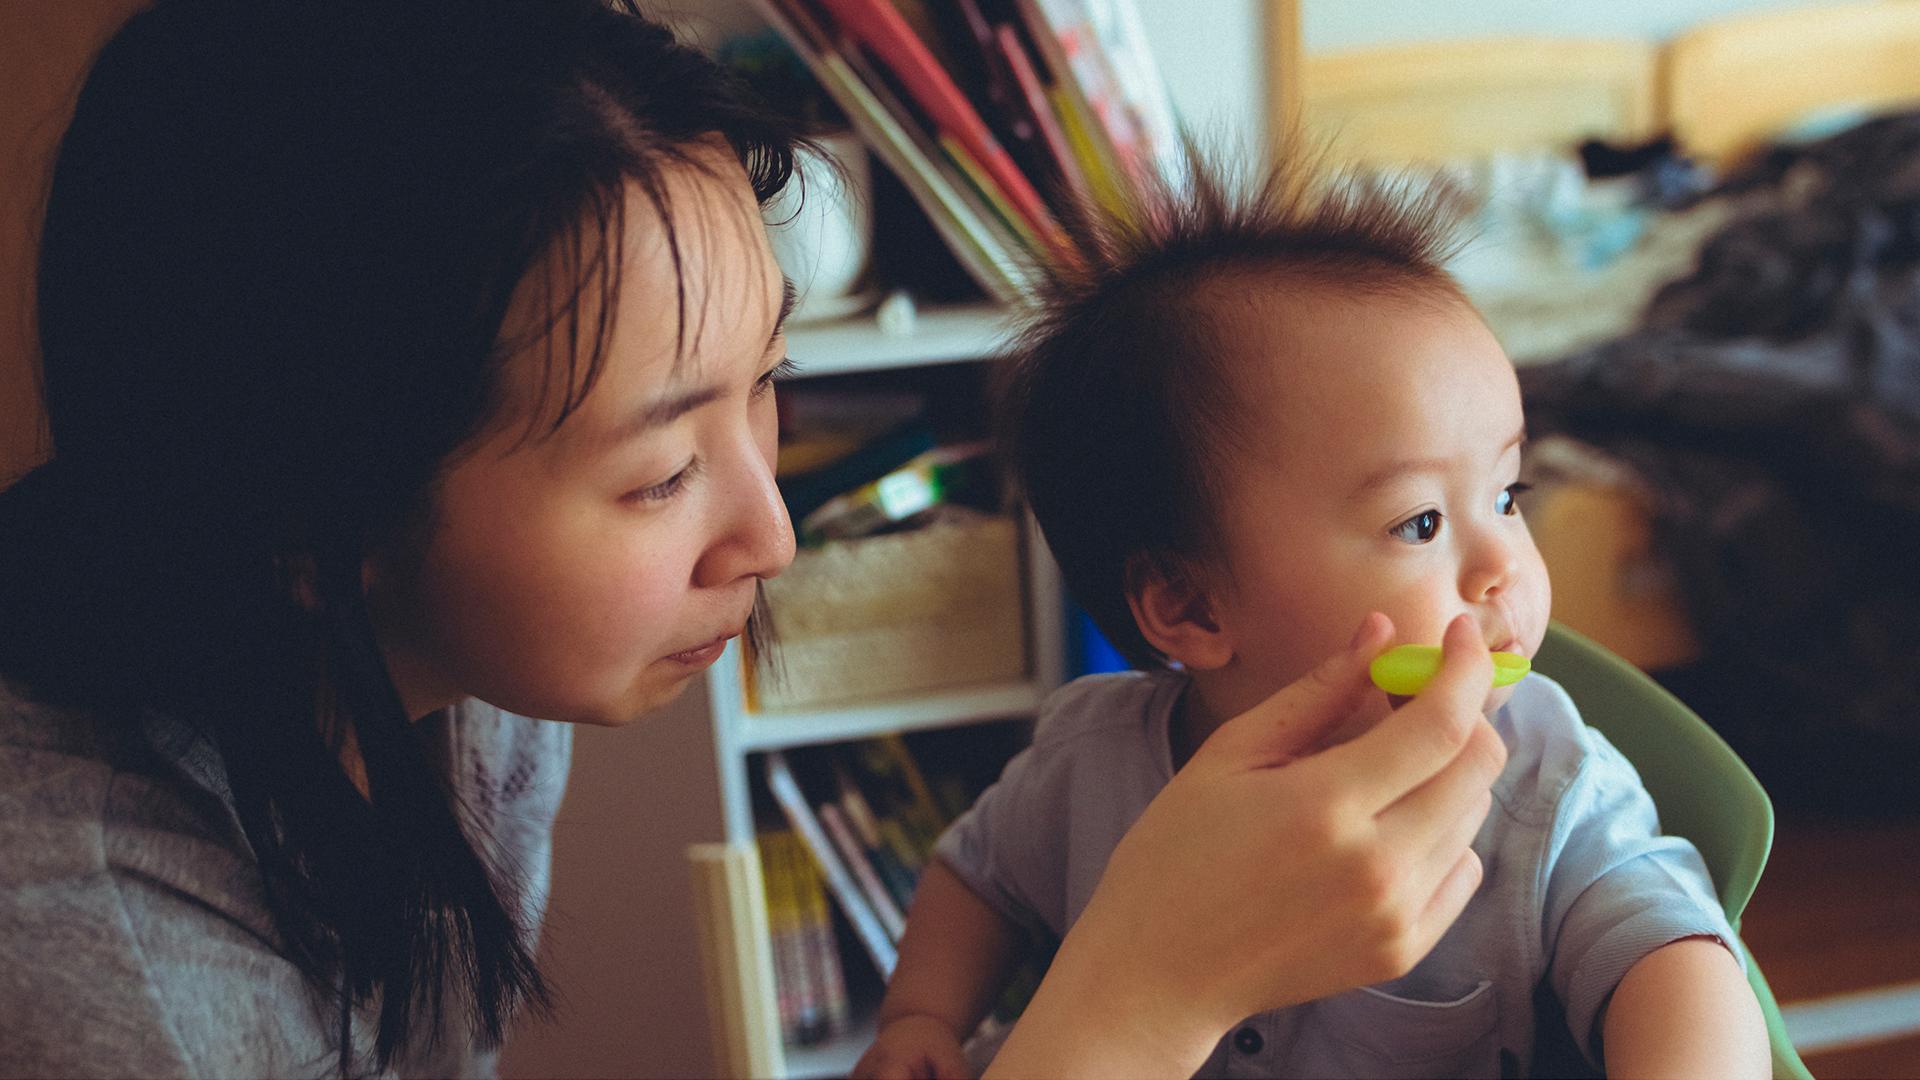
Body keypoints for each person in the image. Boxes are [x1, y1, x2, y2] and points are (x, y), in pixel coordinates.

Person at [0, 3, 1507, 1077]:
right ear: (311, 512)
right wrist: (1143, 998)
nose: (774, 535)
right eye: (662, 474)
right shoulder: (102, 978)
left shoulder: (464, 698)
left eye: (768, 382)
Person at [855, 160, 1773, 1078]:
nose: (1503, 565)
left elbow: (1672, 951)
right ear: (1191, 605)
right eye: (1421, 523)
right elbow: (979, 876)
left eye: (1506, 495)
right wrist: (923, 1016)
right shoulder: (1088, 763)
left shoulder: (1542, 776)